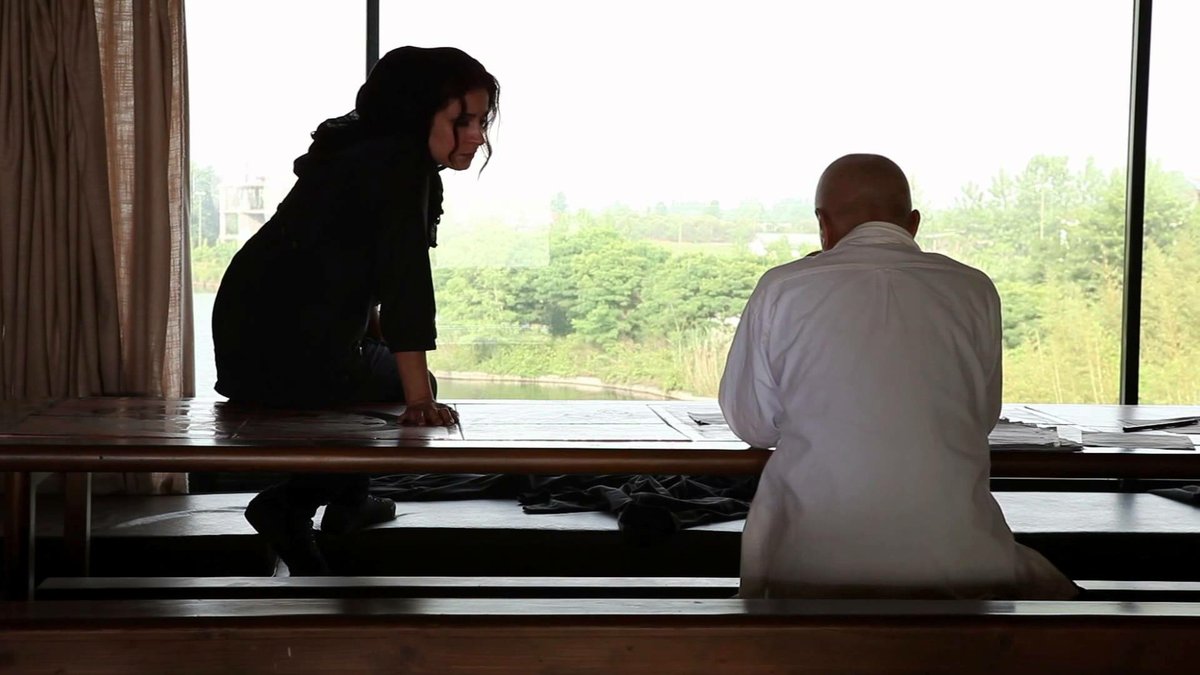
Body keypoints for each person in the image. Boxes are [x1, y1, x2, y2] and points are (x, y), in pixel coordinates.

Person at [718, 153, 1076, 600]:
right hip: (967, 571)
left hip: (809, 570)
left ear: (823, 225)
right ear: (913, 223)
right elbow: (980, 418)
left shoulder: (783, 287)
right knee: (1056, 591)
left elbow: (753, 426)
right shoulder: (974, 289)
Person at [211, 46, 499, 575]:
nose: (477, 135)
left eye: (480, 121)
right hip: (293, 351)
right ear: (417, 115)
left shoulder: (358, 154)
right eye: (463, 121)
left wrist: (384, 352)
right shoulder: (401, 166)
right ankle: (292, 505)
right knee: (406, 386)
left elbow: (354, 278)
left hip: (244, 348)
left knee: (379, 371)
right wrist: (420, 398)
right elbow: (406, 285)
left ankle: (347, 502)